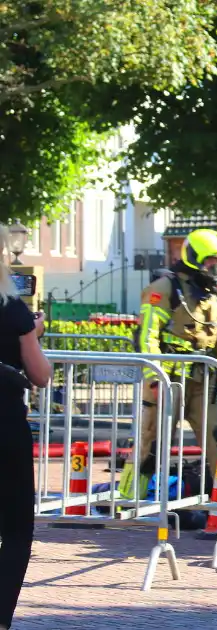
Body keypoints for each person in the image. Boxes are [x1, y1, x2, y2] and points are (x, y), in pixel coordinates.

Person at [119, 228, 217, 527]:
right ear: (196, 260)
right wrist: (154, 379)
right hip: (169, 380)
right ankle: (126, 500)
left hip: (205, 382)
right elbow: (146, 337)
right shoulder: (165, 287)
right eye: (213, 262)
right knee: (152, 441)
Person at [0, 227, 51, 630]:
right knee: (16, 525)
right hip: (4, 424)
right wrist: (33, 333)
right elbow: (39, 374)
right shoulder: (12, 309)